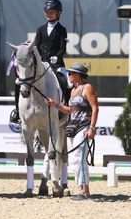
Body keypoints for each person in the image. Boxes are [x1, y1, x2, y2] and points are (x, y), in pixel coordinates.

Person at [45, 62, 99, 201]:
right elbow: (71, 110)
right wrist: (55, 105)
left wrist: (92, 127)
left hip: (84, 127)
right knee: (75, 161)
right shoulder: (73, 91)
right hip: (72, 128)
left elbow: (95, 109)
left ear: (77, 75)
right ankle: (83, 190)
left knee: (78, 159)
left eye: (70, 74)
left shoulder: (87, 88)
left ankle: (84, 192)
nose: (68, 76)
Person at [10, 0, 69, 124]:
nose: (49, 14)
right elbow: (36, 46)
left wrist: (57, 57)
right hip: (41, 64)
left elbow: (62, 48)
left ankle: (65, 109)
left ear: (58, 13)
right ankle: (17, 111)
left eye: (52, 12)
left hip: (56, 64)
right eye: (47, 12)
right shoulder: (40, 29)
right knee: (19, 81)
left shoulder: (62, 30)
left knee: (66, 82)